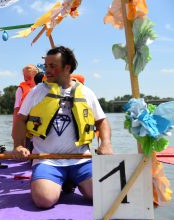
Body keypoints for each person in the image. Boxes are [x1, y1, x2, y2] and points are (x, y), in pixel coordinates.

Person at [12, 46, 113, 209]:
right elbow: (20, 120)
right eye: (46, 66)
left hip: (80, 159)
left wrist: (106, 143)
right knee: (44, 200)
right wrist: (18, 145)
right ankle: (56, 182)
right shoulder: (37, 91)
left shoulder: (86, 92)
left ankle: (69, 181)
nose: (47, 71)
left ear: (67, 68)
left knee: (104, 195)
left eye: (53, 66)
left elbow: (101, 121)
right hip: (47, 159)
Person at [12, 64, 39, 142]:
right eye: (25, 78)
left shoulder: (43, 88)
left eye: (29, 78)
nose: (26, 80)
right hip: (25, 124)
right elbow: (16, 109)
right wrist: (14, 129)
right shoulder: (21, 89)